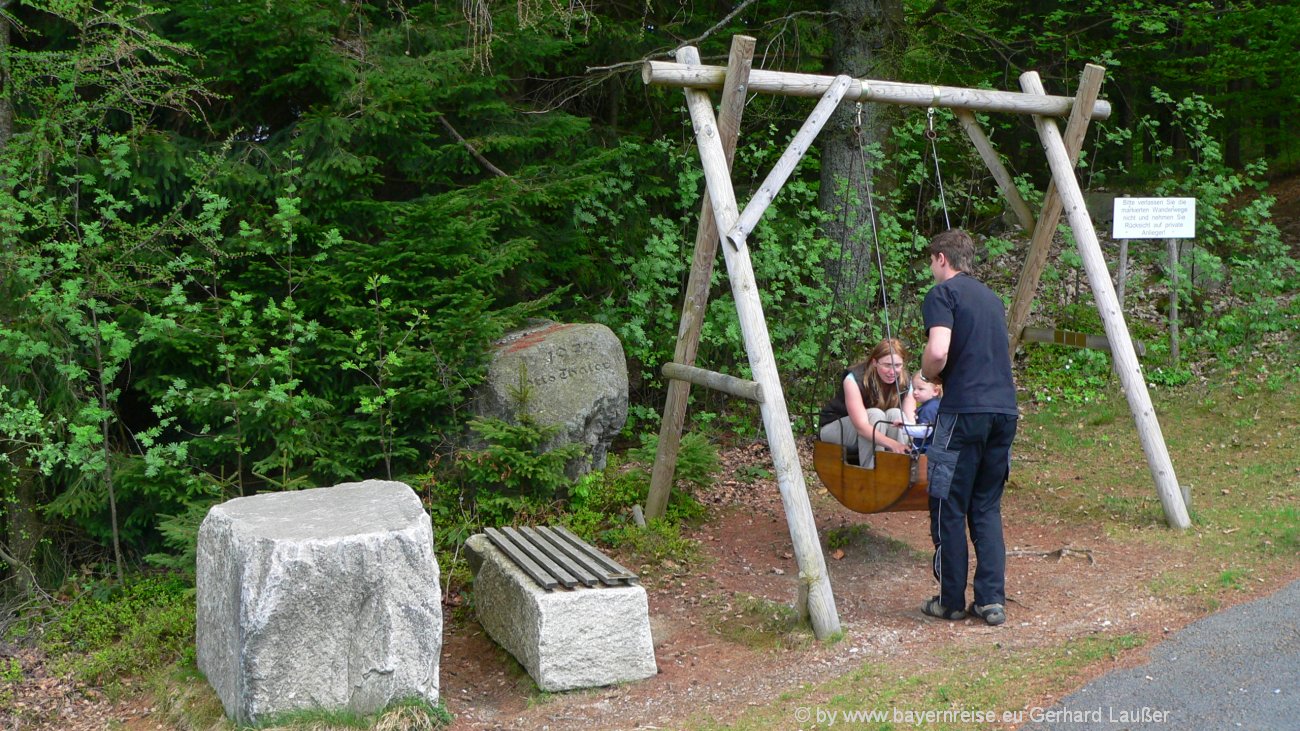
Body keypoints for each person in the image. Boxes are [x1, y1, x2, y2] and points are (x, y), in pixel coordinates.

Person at [919, 229, 1018, 626]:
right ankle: (992, 600)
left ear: (943, 258)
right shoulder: (992, 298)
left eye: (931, 261)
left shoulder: (942, 295)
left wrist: (928, 372)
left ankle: (951, 601)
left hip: (962, 412)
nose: (930, 268)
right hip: (1004, 413)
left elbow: (939, 350)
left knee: (947, 502)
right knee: (986, 505)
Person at [819, 338, 917, 469]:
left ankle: (897, 471)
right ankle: (872, 472)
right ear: (875, 362)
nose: (892, 372)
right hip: (836, 428)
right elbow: (861, 426)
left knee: (896, 414)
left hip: (876, 427)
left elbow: (911, 425)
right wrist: (893, 444)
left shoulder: (906, 381)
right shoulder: (854, 378)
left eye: (898, 365)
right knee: (875, 415)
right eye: (887, 365)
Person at [903, 371, 942, 455]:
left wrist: (903, 427)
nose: (915, 392)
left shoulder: (929, 408)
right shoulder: (936, 404)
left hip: (925, 450)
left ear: (935, 391)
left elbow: (925, 431)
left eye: (920, 389)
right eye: (914, 388)